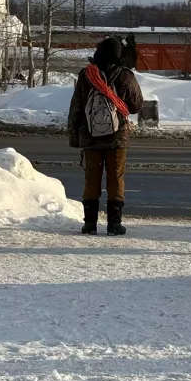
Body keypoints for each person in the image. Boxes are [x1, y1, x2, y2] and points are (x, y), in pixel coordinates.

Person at [69, 37, 144, 236]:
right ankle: (114, 225)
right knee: (116, 178)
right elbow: (136, 105)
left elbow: (76, 107)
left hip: (90, 136)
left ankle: (90, 224)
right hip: (117, 138)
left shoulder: (86, 75)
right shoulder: (126, 76)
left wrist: (76, 138)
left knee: (91, 178)